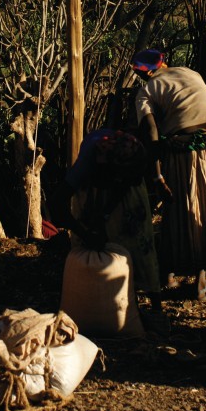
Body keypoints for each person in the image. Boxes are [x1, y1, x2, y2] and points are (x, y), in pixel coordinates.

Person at [132, 48, 206, 301]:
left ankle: (178, 273)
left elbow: (150, 130)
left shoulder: (146, 91)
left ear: (142, 74)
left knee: (188, 208)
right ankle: (201, 272)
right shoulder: (191, 73)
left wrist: (157, 175)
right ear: (163, 63)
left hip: (187, 148)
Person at [66, 127, 162, 309]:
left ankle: (155, 307)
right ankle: (99, 304)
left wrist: (105, 214)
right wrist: (86, 233)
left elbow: (129, 182)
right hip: (98, 185)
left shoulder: (130, 154)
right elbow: (57, 206)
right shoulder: (86, 167)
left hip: (124, 190)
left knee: (139, 246)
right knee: (97, 252)